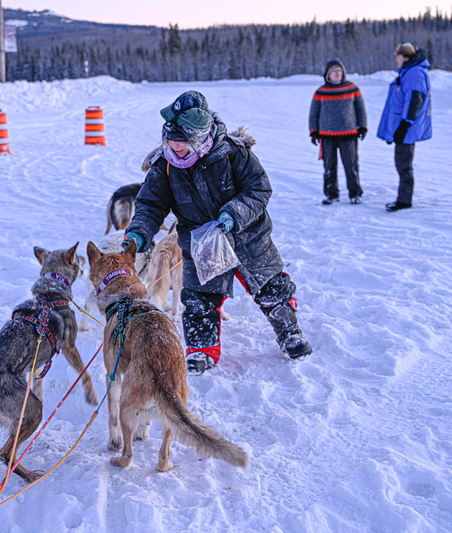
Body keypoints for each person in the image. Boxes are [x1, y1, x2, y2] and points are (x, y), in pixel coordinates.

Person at [124, 90, 313, 375]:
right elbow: (150, 204)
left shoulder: (234, 153)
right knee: (199, 298)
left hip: (248, 236)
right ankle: (201, 349)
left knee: (271, 288)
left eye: (182, 144)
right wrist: (139, 232)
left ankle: (290, 333)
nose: (176, 149)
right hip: (203, 242)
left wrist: (233, 214)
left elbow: (259, 189)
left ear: (200, 138)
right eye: (171, 143)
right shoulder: (164, 167)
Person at [377, 42, 432, 212]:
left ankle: (404, 200)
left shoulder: (415, 73)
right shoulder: (409, 72)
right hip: (403, 128)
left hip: (407, 128)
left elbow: (415, 100)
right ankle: (404, 198)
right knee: (402, 162)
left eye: (398, 57)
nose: (396, 60)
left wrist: (404, 125)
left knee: (403, 164)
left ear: (406, 57)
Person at [308, 60, 367, 205]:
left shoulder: (352, 88)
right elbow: (313, 113)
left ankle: (355, 193)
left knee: (351, 165)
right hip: (327, 136)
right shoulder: (321, 92)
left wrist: (363, 126)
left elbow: (360, 109)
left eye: (340, 71)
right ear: (328, 75)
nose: (338, 74)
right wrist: (313, 131)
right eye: (334, 71)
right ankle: (331, 194)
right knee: (329, 166)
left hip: (349, 134)